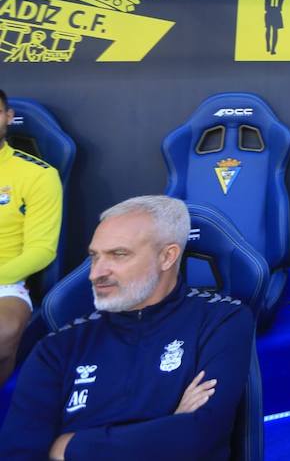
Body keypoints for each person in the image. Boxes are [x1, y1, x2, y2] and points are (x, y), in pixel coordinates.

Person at [0, 196, 254, 458]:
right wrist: (168, 427)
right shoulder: (59, 346)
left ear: (167, 257)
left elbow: (198, 436)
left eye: (118, 254)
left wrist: (69, 447)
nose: (96, 273)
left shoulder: (221, 320)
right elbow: (17, 453)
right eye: (94, 256)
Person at [0, 88, 62, 383]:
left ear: (8, 117)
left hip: (6, 283)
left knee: (4, 332)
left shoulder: (38, 174)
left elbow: (42, 249)